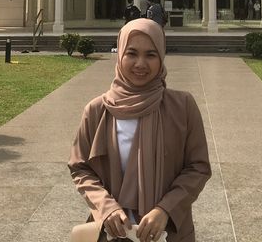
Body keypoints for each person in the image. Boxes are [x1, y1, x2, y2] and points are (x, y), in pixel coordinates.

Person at [68, 19, 211, 242]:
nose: (140, 64)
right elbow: (80, 167)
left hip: (168, 233)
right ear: (120, 54)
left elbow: (198, 167)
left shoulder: (182, 106)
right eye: (132, 53)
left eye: (151, 55)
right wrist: (107, 208)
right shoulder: (97, 111)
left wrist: (165, 210)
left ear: (161, 57)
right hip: (114, 233)